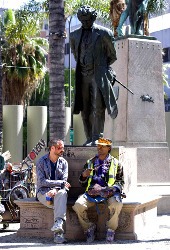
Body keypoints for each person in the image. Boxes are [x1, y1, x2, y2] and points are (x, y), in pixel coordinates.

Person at [70, 6, 118, 146]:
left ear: (93, 18)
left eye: (88, 20)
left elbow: (112, 56)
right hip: (82, 76)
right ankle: (89, 137)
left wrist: (102, 67)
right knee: (85, 108)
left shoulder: (104, 33)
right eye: (82, 20)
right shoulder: (74, 35)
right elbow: (75, 54)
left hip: (97, 75)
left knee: (97, 107)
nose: (85, 23)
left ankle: (97, 137)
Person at [72, 137, 124, 243]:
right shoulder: (90, 162)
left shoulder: (116, 164)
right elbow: (82, 184)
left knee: (117, 204)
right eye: (98, 146)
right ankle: (89, 228)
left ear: (109, 148)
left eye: (102, 146)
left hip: (109, 194)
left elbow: (120, 182)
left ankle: (110, 229)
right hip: (91, 194)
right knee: (78, 205)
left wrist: (109, 189)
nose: (99, 148)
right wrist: (83, 176)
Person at [36, 139, 71, 244]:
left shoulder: (64, 162)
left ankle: (58, 224)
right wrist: (58, 184)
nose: (63, 150)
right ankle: (58, 234)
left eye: (63, 148)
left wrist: (55, 189)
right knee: (60, 200)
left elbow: (64, 182)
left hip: (57, 193)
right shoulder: (41, 162)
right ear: (52, 148)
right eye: (60, 148)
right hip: (43, 193)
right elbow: (42, 182)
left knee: (62, 194)